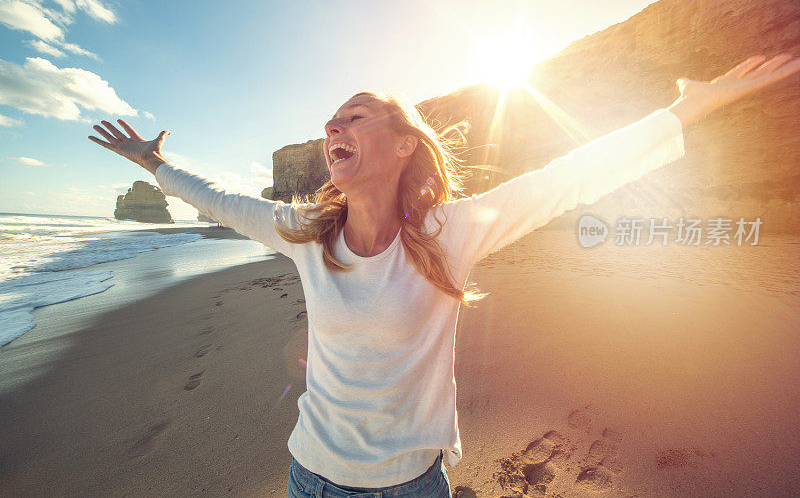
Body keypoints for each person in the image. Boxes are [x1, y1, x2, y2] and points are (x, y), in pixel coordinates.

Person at [88, 53, 799, 497]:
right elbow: (222, 199)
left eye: (352, 117)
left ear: (402, 145)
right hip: (310, 478)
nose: (334, 126)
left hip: (411, 486)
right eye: (330, 119)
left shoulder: (448, 236)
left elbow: (570, 178)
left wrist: (688, 106)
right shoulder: (307, 233)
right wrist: (155, 165)